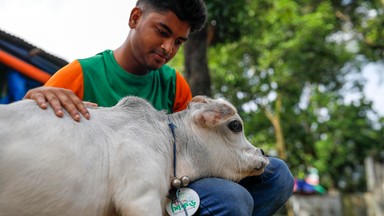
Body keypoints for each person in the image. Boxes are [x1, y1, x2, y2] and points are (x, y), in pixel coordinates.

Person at [24, 0, 294, 215]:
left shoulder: (174, 84)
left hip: (172, 192)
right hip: (106, 195)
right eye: (162, 32)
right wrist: (37, 96)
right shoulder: (80, 74)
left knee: (278, 175)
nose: (168, 48)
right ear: (135, 18)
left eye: (178, 42)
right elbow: (26, 128)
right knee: (231, 201)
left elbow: (197, 150)